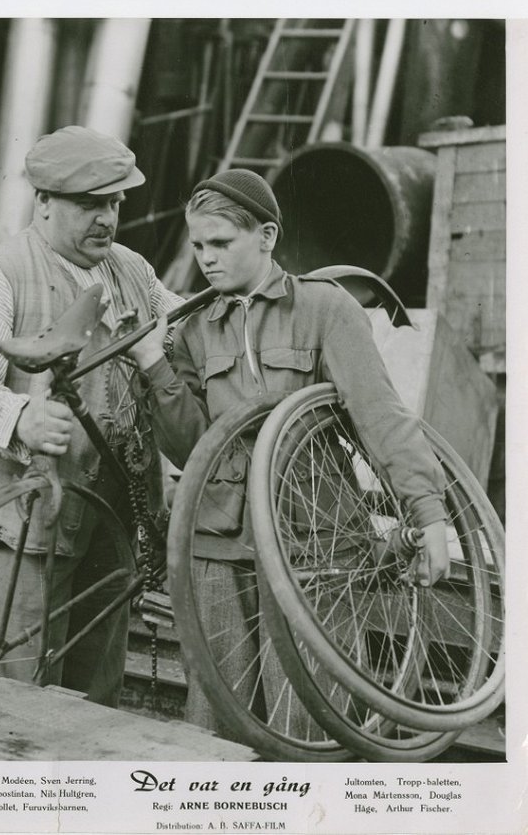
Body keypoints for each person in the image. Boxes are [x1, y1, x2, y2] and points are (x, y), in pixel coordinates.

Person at [128, 169, 450, 732]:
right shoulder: (197, 330)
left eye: (222, 243)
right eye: (199, 245)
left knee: (310, 721)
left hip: (314, 544)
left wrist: (429, 512)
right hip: (218, 547)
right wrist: (155, 364)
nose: (207, 258)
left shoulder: (325, 309)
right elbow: (190, 450)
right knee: (215, 723)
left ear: (268, 236)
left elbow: (381, 417)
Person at [0, 125, 181, 707]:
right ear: (43, 201)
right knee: (13, 701)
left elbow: (183, 326)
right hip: (22, 526)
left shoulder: (129, 268)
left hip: (108, 520)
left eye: (115, 202)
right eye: (90, 204)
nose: (107, 219)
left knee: (95, 697)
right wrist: (18, 418)